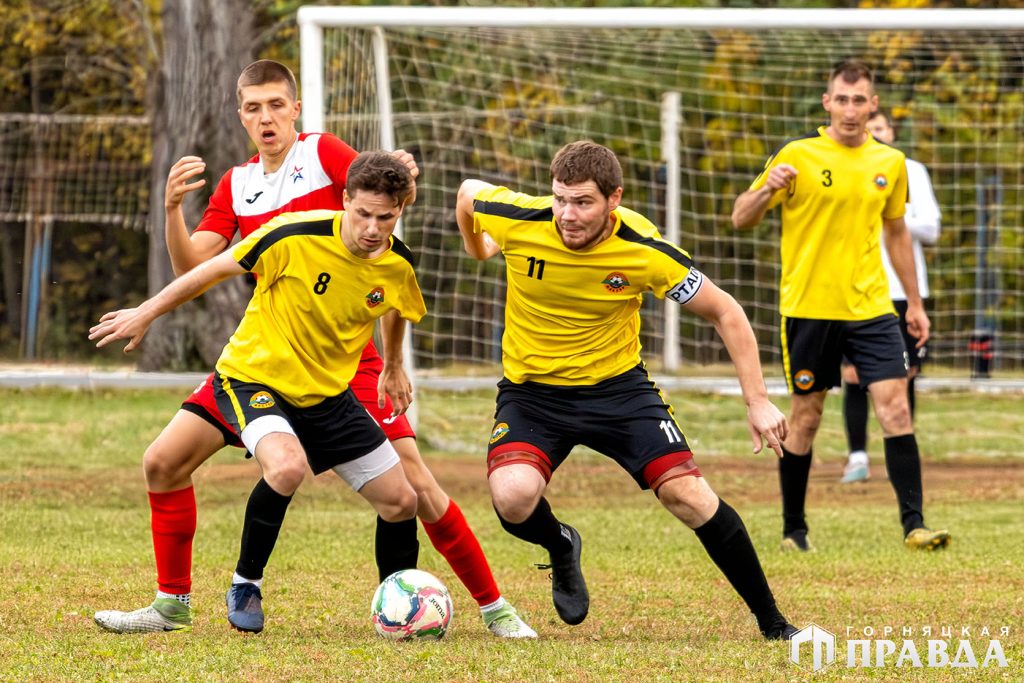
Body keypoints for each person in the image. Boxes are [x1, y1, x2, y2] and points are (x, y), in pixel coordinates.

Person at [93, 60, 534, 638]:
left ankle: (483, 605)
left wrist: (394, 362)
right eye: (253, 107)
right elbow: (195, 267)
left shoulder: (324, 155)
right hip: (263, 358)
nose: (266, 117)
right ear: (240, 115)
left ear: (295, 108)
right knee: (165, 461)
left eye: (276, 104)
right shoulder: (242, 188)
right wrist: (170, 217)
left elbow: (384, 200)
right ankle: (179, 601)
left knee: (412, 490)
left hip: (347, 362)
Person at [455, 140, 798, 640]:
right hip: (534, 395)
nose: (567, 215)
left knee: (689, 496)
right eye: (560, 199)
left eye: (583, 202)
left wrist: (758, 399)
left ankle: (775, 625)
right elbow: (467, 194)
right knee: (513, 499)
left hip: (619, 390)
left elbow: (727, 311)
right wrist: (478, 246)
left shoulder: (644, 250)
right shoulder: (518, 217)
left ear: (614, 199)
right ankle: (561, 546)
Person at [91, 151, 426, 630]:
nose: (373, 229)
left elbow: (396, 305)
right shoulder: (291, 234)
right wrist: (146, 312)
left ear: (401, 210)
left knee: (402, 501)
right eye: (363, 214)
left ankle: (400, 609)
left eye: (386, 218)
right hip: (253, 377)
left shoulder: (397, 261)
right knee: (276, 466)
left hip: (326, 396)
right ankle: (238, 586)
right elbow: (209, 271)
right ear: (346, 200)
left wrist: (392, 366)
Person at [731, 59, 950, 552]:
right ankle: (794, 530)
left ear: (873, 105)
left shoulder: (889, 163)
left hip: (872, 307)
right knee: (806, 416)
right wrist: (767, 188)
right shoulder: (797, 154)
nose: (851, 110)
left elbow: (896, 233)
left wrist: (914, 303)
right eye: (842, 100)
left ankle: (914, 526)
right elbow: (740, 217)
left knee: (896, 408)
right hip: (808, 308)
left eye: (860, 100)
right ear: (827, 102)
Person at [840, 108, 941, 484]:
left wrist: (892, 215)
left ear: (893, 132)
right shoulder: (848, 168)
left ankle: (901, 454)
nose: (876, 133)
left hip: (902, 291)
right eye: (871, 128)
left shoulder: (911, 170)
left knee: (905, 376)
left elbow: (931, 228)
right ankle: (857, 456)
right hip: (857, 289)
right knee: (852, 375)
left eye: (881, 126)